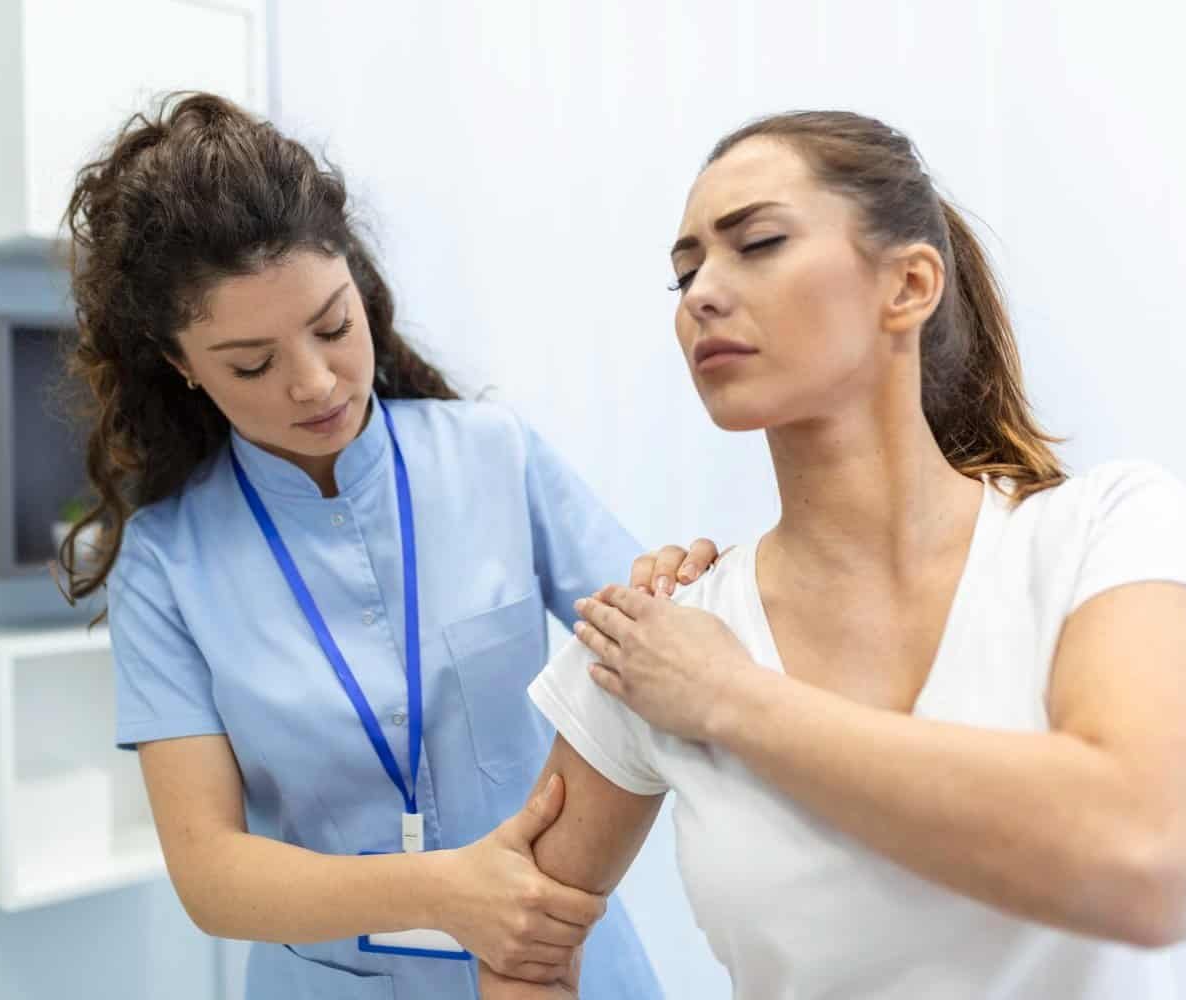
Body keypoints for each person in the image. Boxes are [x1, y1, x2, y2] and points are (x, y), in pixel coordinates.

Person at [483, 111, 1186, 999]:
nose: (704, 290)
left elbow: (1152, 863)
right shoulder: (665, 635)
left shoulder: (1104, 532)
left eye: (758, 243)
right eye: (684, 273)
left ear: (907, 285)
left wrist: (734, 702)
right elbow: (523, 942)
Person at [53, 92, 705, 999]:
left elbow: (660, 651)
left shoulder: (495, 455)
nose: (315, 383)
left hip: (557, 970)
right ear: (180, 364)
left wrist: (680, 587)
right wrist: (446, 890)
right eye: (252, 363)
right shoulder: (168, 563)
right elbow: (209, 871)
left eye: (332, 325)